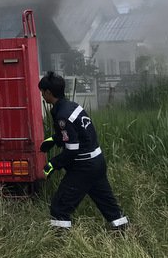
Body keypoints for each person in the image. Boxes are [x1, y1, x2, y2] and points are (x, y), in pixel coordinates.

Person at [38, 71, 128, 231]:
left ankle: (59, 243)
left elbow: (72, 150)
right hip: (97, 162)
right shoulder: (72, 106)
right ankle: (124, 233)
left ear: (48, 92)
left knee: (60, 207)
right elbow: (77, 133)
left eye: (42, 92)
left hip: (83, 167)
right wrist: (54, 140)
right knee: (108, 205)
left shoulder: (62, 115)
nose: (42, 96)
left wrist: (53, 164)